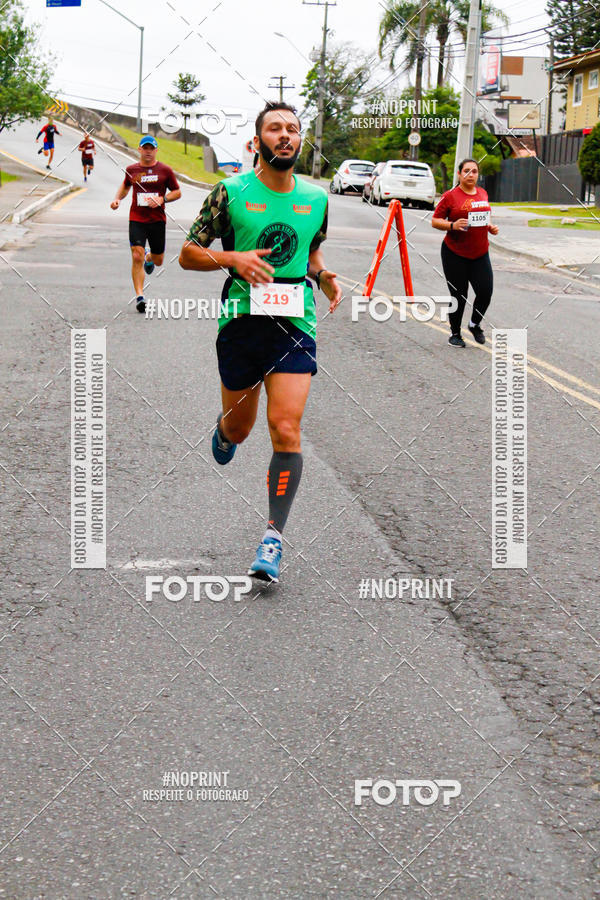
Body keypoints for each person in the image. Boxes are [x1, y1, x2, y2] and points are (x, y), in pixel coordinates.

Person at [179, 101, 342, 583]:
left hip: (294, 324)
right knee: (242, 428)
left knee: (286, 427)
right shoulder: (229, 192)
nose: (285, 135)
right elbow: (188, 253)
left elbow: (311, 250)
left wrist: (322, 276)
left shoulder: (317, 199)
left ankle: (273, 537)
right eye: (275, 128)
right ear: (257, 141)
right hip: (242, 322)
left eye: (293, 128)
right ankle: (225, 431)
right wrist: (235, 259)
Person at [432, 158, 499, 347]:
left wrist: (490, 226)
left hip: (480, 253)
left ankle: (474, 324)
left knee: (485, 292)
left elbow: (484, 217)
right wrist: (452, 225)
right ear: (459, 174)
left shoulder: (483, 193)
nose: (471, 174)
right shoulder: (450, 196)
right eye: (467, 171)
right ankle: (455, 334)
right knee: (459, 295)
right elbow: (435, 220)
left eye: (474, 171)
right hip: (454, 253)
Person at [110, 135, 181, 313]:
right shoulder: (132, 170)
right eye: (145, 148)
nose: (148, 151)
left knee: (158, 260)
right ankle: (140, 296)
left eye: (151, 148)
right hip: (137, 219)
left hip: (157, 220)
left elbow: (177, 192)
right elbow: (126, 186)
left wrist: (162, 199)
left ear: (156, 150)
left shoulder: (165, 170)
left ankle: (149, 257)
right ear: (140, 150)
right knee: (136, 256)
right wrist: (117, 199)